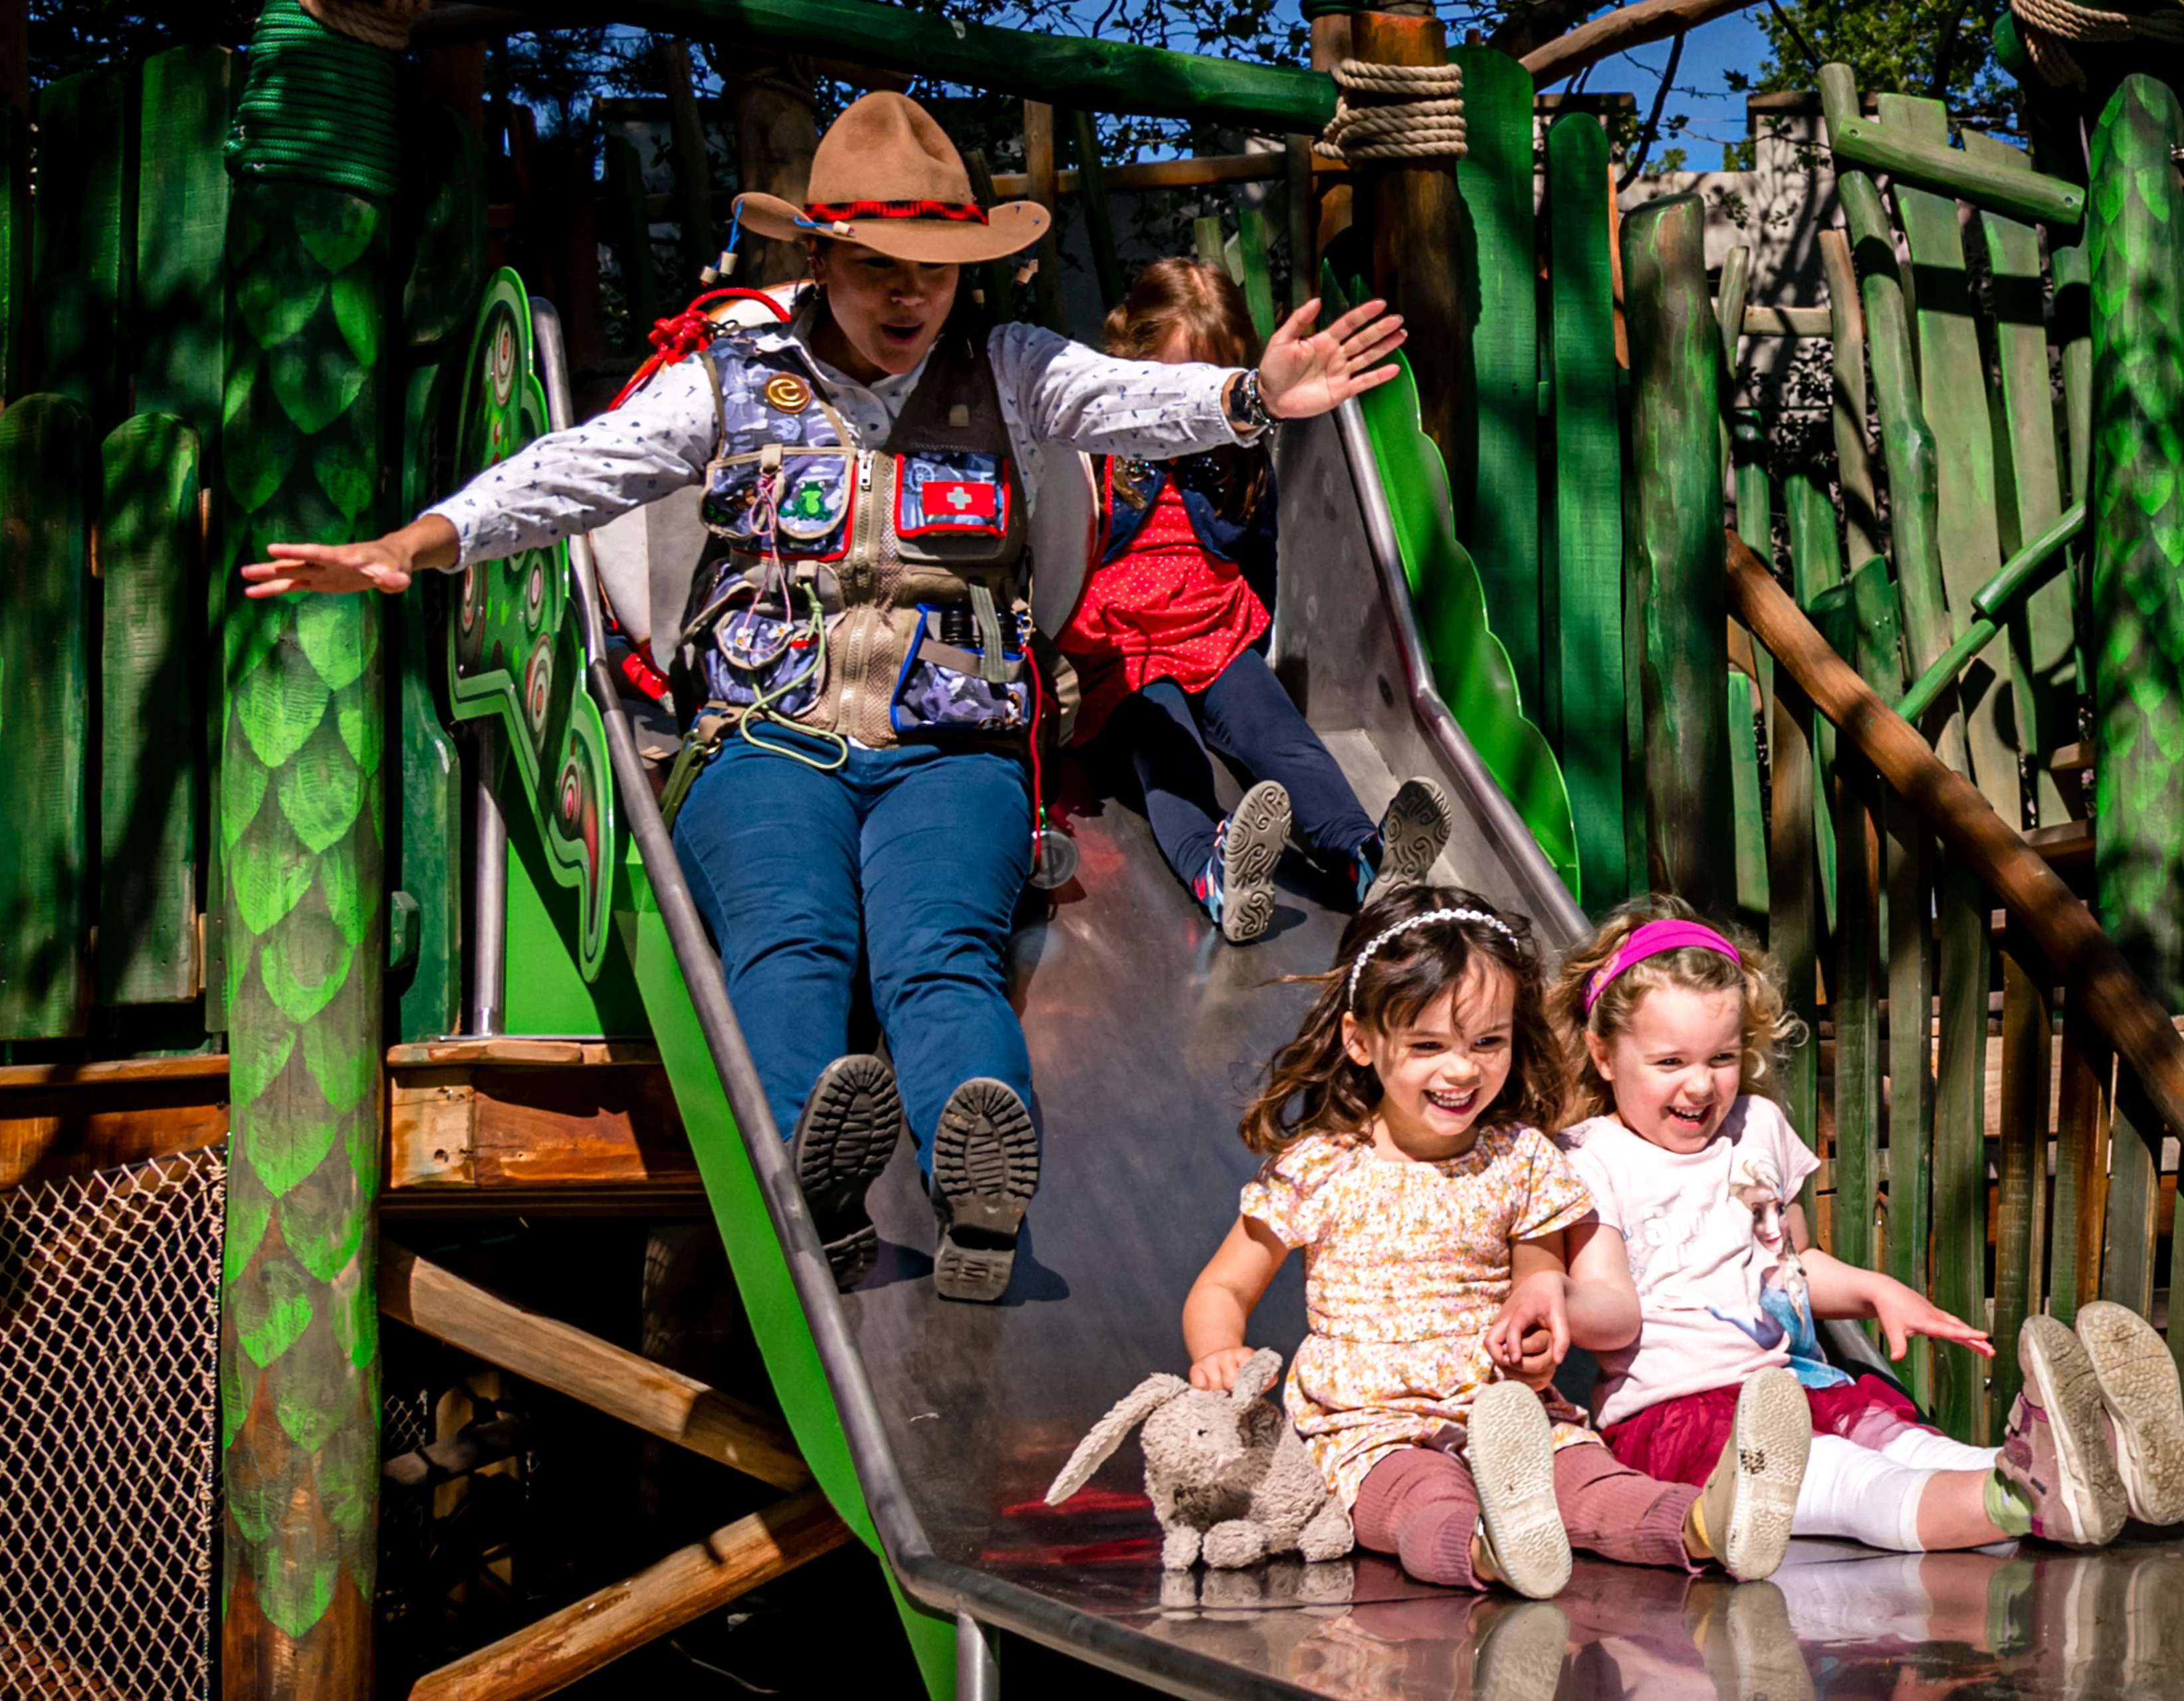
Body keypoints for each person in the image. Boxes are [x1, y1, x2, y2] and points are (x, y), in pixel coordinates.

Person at [239, 91, 1406, 1304]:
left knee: (941, 952)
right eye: (877, 270)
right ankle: (818, 1177)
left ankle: (979, 1172)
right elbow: (580, 469)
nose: (910, 298)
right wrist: (422, 542)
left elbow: (1124, 398)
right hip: (761, 739)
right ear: (820, 257)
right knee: (790, 936)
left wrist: (1251, 397)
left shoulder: (1006, 369)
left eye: (936, 274)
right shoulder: (727, 380)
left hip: (948, 745)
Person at [1543, 895, 2184, 1558]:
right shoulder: (1589, 1156)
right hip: (1677, 1418)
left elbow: (1793, 1267)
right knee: (1857, 1483)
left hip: (1793, 1387)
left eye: (1720, 1059)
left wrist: (1874, 1290)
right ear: (1603, 1054)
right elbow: (1612, 1309)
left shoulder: (1757, 1128)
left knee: (1922, 1449)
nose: (1699, 1086)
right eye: (1669, 1063)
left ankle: (2113, 1464)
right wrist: (1557, 1303)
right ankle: (2028, 1498)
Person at [1180, 886, 1789, 1601]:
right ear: (1361, 1040)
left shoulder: (1521, 1157)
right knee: (1420, 1500)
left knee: (1593, 1483)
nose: (1462, 1068)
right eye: (1429, 1045)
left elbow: (1538, 1287)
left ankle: (1705, 1522)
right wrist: (1217, 1349)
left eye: (1487, 1042)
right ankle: (1493, 1545)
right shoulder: (1322, 1166)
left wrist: (1536, 1339)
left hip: (1510, 1416)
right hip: (1372, 1428)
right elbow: (1223, 1286)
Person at [1060, 258, 1450, 944]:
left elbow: (1258, 547)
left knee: (1282, 738)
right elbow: (1056, 550)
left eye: (1213, 379)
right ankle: (1219, 873)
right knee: (1169, 752)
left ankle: (1366, 860)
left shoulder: (1238, 447)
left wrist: (1254, 641)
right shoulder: (1093, 444)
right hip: (1122, 650)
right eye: (1179, 378)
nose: (1196, 396)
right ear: (1134, 355)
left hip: (1213, 630)